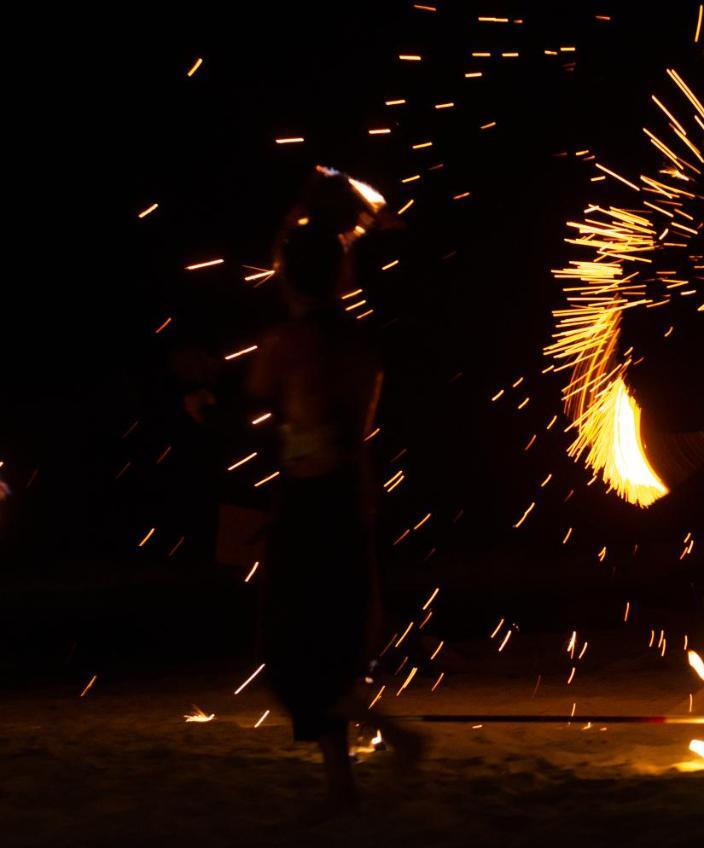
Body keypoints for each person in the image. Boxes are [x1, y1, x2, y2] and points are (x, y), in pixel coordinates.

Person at [245, 185, 421, 815]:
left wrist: (203, 402)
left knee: (290, 654)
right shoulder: (361, 344)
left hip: (309, 501)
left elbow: (259, 400)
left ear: (291, 275)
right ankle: (341, 783)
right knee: (333, 644)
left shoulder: (289, 344)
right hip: (352, 498)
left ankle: (393, 736)